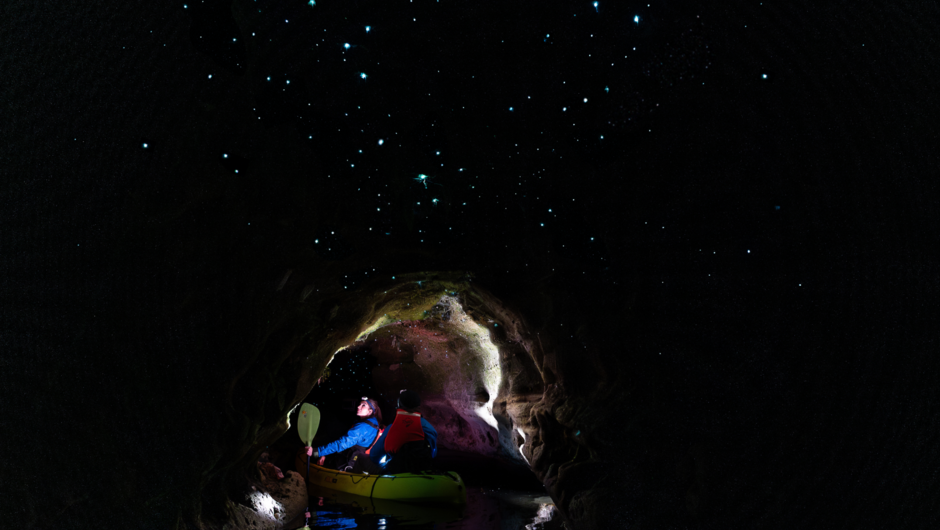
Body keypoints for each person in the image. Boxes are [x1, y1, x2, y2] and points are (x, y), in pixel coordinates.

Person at [305, 397, 384, 473]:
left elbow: (342, 443)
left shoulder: (362, 427)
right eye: (359, 404)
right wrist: (325, 455)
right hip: (353, 457)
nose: (358, 406)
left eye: (363, 405)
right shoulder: (373, 423)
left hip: (348, 461)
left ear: (370, 412)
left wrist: (317, 452)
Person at [370, 390, 438, 474]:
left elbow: (374, 456)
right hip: (422, 472)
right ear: (418, 405)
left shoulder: (391, 428)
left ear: (399, 406)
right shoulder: (429, 428)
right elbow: (433, 454)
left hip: (396, 473)